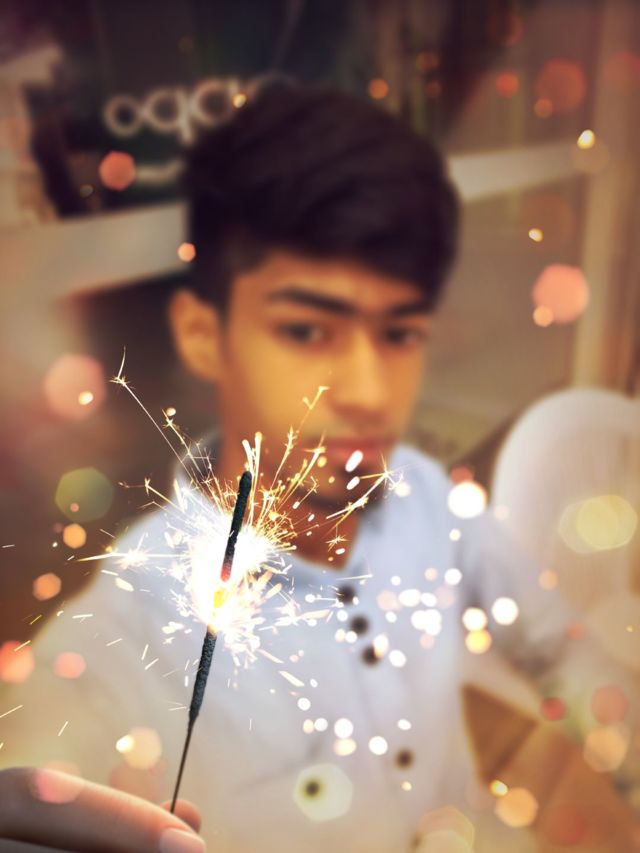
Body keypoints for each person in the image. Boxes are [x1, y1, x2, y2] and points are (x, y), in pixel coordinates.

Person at [1, 81, 636, 852]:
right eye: (306, 330)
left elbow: (560, 648)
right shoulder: (115, 647)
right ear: (203, 334)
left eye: (399, 334)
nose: (370, 393)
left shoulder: (425, 496)